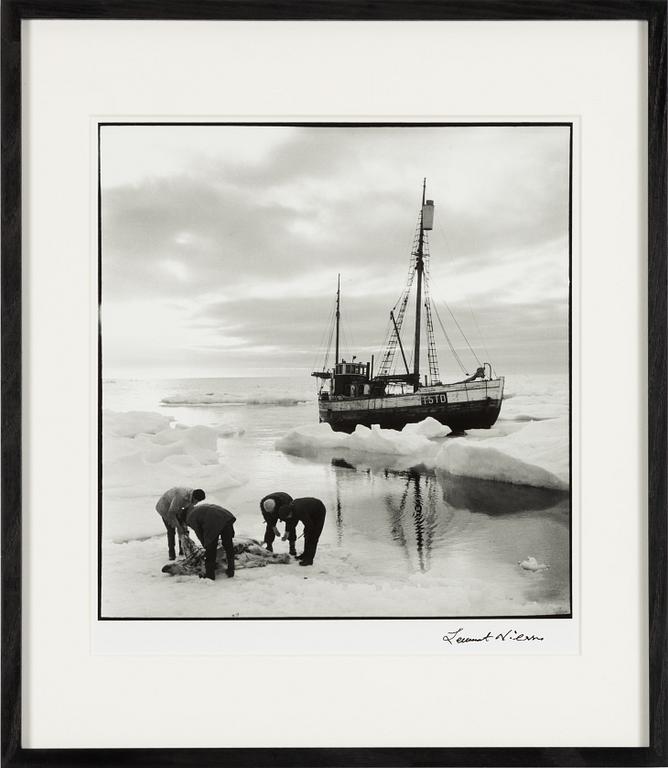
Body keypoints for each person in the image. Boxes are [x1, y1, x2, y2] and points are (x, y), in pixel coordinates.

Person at [177, 502, 236, 581]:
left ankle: (210, 575)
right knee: (228, 546)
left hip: (213, 521)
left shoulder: (190, 518)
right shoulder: (196, 509)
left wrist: (206, 545)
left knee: (210, 550)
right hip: (226, 516)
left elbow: (199, 533)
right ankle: (231, 570)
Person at [155, 487, 206, 560]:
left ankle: (183, 551)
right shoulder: (181, 496)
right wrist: (178, 527)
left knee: (183, 529)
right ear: (194, 497)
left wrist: (184, 524)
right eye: (196, 501)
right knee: (171, 530)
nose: (196, 503)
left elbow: (189, 510)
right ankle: (171, 554)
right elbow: (171, 513)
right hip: (165, 508)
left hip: (177, 507)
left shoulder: (192, 496)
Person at [280, 497, 327, 566]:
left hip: (319, 511)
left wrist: (306, 531)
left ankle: (309, 559)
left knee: (313, 536)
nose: (288, 518)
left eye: (287, 517)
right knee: (307, 534)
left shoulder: (299, 511)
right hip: (309, 511)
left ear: (290, 513)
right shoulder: (291, 509)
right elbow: (291, 522)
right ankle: (305, 554)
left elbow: (309, 525)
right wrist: (287, 532)